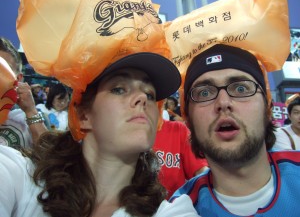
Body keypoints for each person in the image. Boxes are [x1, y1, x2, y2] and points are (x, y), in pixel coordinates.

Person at [0, 52, 199, 217]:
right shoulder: (21, 177)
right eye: (119, 89)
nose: (141, 98)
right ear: (83, 115)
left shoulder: (173, 212)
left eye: (150, 94)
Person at [170, 44, 300, 216]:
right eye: (204, 93)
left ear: (267, 109)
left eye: (241, 89)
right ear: (188, 120)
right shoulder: (179, 210)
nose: (223, 103)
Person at [0, 37, 47, 148]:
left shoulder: (27, 118)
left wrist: (31, 112)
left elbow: (49, 159)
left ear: (18, 79)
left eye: (4, 69)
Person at [153, 119, 208, 199]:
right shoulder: (132, 135)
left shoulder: (178, 130)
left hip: (175, 207)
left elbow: (201, 171)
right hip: (135, 208)